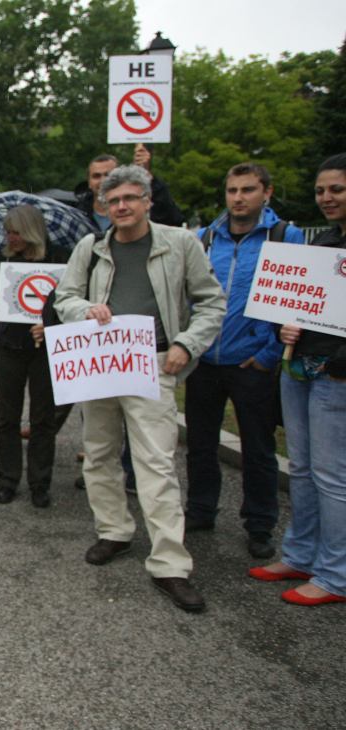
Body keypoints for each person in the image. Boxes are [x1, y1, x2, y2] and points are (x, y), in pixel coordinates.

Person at [54, 164, 225, 613]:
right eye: (113, 201)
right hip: (99, 360)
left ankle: (170, 564)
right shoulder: (90, 247)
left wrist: (187, 345)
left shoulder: (179, 243)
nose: (122, 207)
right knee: (99, 453)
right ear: (102, 206)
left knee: (156, 462)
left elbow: (210, 301)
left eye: (130, 198)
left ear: (148, 200)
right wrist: (85, 309)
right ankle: (114, 531)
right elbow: (63, 296)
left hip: (152, 361)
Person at [184, 162, 304, 559]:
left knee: (258, 447)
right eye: (232, 190)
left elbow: (296, 300)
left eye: (248, 190)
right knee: (200, 443)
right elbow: (190, 297)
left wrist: (267, 354)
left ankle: (259, 524)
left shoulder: (285, 237)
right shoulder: (204, 238)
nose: (238, 198)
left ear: (266, 193)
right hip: (205, 360)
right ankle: (201, 510)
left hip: (252, 363)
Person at [249, 153, 346, 606]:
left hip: (336, 376)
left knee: (332, 476)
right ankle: (301, 554)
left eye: (337, 190)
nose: (326, 198)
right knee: (303, 469)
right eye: (321, 190)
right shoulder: (324, 243)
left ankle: (335, 575)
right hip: (300, 367)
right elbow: (301, 305)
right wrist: (287, 325)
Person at [0, 205, 71, 508]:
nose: (11, 236)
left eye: (16, 231)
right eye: (8, 231)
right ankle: (8, 480)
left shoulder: (59, 256)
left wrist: (51, 324)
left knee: (43, 418)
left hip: (45, 348)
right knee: (7, 417)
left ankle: (39, 482)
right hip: (9, 344)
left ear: (31, 230)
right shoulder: (3, 256)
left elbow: (70, 299)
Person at [74, 151, 184, 232]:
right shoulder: (77, 214)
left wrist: (150, 182)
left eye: (108, 174)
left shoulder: (137, 209)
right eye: (96, 176)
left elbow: (172, 221)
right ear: (89, 182)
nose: (103, 180)